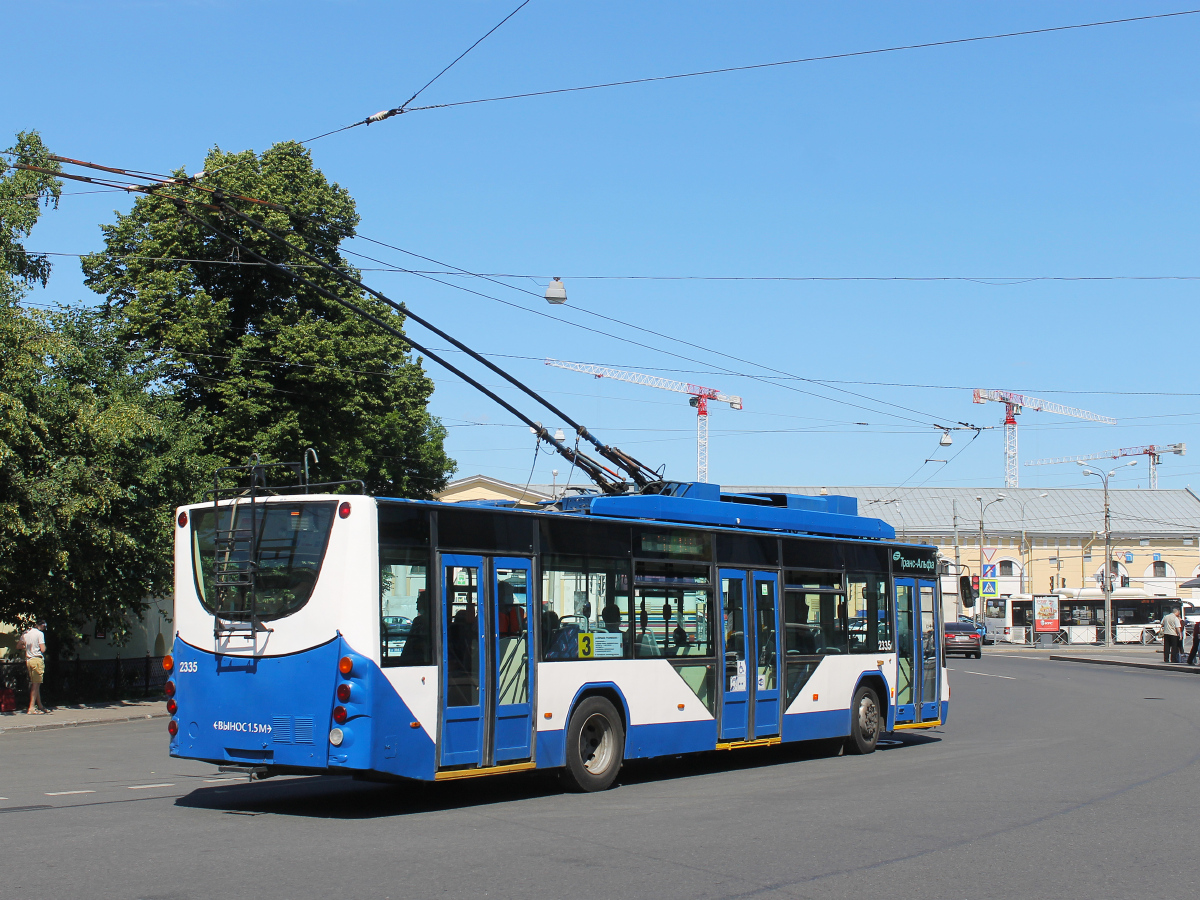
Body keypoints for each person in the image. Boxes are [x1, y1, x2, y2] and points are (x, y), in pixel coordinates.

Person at [24, 620, 48, 714]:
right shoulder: (39, 634)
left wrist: (28, 647)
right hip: (37, 659)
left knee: (36, 683)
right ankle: (31, 707)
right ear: (42, 626)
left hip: (29, 659)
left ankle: (40, 705)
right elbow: (43, 649)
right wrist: (43, 647)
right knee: (36, 684)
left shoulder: (26, 633)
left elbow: (19, 645)